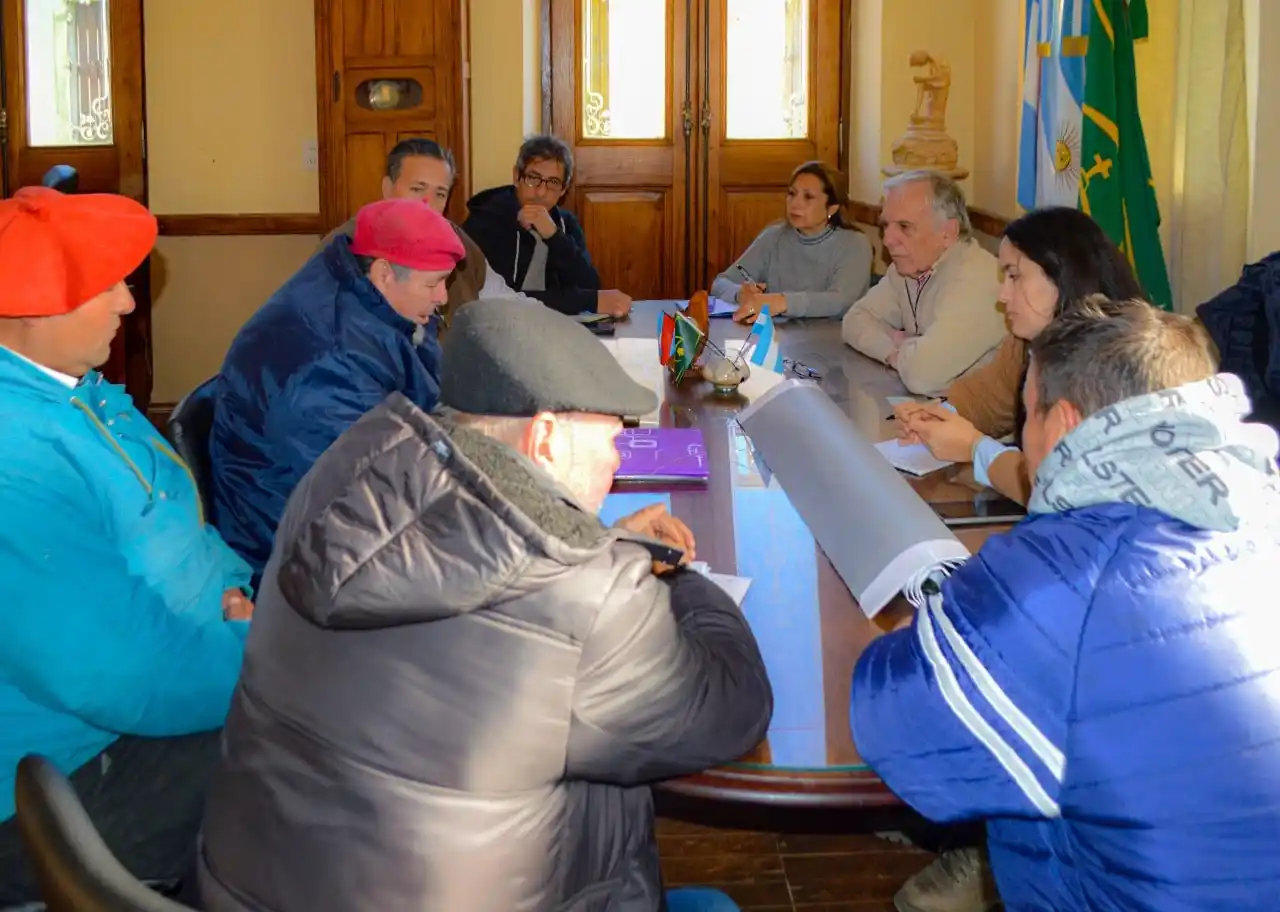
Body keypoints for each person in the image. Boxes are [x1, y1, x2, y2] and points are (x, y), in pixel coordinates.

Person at [198, 298, 773, 912]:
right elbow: (730, 706)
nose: (619, 457)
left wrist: (616, 548)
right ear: (546, 436)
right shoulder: (586, 599)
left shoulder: (336, 481)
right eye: (613, 438)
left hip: (258, 885)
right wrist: (678, 575)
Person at [852, 296, 1280, 912]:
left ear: (1066, 426)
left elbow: (898, 731)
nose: (1024, 441)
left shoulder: (1057, 574)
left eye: (1027, 416)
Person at [0, 187, 252, 904]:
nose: (127, 303)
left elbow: (187, 534)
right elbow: (114, 676)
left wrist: (247, 602)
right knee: (334, 748)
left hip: (144, 705)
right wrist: (253, 654)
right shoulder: (15, 452)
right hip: (52, 789)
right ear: (30, 304)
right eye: (104, 286)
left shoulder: (77, 394)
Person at [210, 198, 465, 583]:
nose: (443, 296)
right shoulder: (326, 359)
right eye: (433, 283)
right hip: (288, 555)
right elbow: (372, 491)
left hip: (325, 517)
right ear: (383, 273)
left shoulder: (374, 302)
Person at [893, 207, 1142, 506]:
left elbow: (1059, 489)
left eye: (1014, 276)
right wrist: (937, 418)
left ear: (1063, 276)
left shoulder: (1115, 362)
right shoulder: (1027, 341)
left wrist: (975, 449)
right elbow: (986, 399)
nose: (1003, 295)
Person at [320, 137, 535, 333]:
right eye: (417, 189)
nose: (428, 205)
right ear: (387, 188)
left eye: (440, 194)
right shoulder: (343, 249)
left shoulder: (458, 241)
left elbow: (506, 302)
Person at [841, 171, 1005, 395]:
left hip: (986, 425)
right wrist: (896, 351)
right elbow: (854, 321)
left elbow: (922, 375)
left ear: (947, 233)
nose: (888, 240)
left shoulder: (979, 280)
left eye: (905, 227)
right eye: (886, 225)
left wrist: (903, 344)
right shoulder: (907, 267)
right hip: (932, 409)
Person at [464, 133, 633, 318]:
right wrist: (586, 301)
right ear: (516, 177)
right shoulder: (487, 221)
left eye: (553, 183)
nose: (541, 191)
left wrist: (554, 237)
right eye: (533, 178)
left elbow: (590, 285)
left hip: (555, 326)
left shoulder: (565, 223)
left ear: (563, 190)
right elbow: (501, 300)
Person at [711, 160, 873, 323]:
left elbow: (842, 302)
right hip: (779, 340)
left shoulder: (855, 244)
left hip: (833, 340)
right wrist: (739, 293)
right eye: (792, 194)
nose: (795, 203)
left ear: (832, 208)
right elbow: (720, 283)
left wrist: (783, 302)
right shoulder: (773, 237)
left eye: (808, 196)